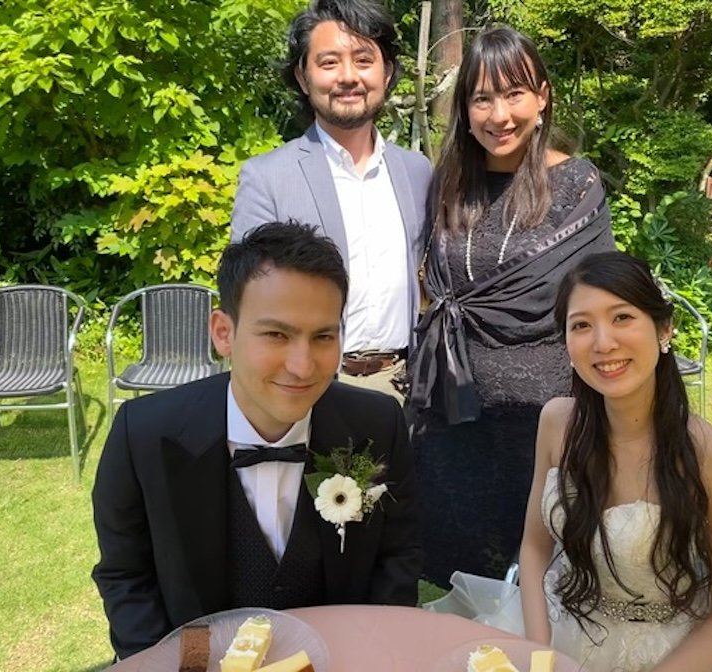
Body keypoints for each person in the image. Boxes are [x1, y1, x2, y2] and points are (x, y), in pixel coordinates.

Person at [91, 222, 421, 660]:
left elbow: (397, 558)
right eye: (276, 335)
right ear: (223, 332)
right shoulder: (145, 435)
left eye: (323, 336)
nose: (302, 366)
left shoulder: (377, 425)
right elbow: (127, 576)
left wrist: (364, 656)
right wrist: (182, 667)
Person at [518, 250, 712, 670]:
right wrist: (538, 656)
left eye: (622, 317)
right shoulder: (556, 423)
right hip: (562, 631)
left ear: (664, 329)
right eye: (582, 325)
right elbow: (534, 549)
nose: (603, 343)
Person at [406, 26, 615, 586]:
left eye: (514, 93)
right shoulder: (448, 183)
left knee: (534, 584)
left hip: (540, 423)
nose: (499, 115)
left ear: (542, 96)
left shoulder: (575, 186)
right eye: (482, 98)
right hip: (451, 419)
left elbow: (600, 300)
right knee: (449, 586)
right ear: (464, 108)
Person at [231, 0, 432, 402]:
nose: (348, 76)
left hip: (407, 387)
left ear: (386, 72)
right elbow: (247, 300)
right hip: (310, 387)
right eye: (329, 62)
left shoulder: (417, 172)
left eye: (363, 60)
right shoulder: (267, 178)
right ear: (303, 77)